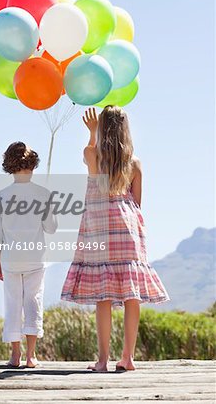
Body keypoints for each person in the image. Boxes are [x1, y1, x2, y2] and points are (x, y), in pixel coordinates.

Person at [61, 106, 170, 372]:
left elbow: (89, 155)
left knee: (104, 295)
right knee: (132, 295)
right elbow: (137, 201)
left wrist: (92, 133)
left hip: (100, 228)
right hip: (128, 227)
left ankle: (102, 361)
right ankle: (128, 358)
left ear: (102, 129)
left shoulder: (92, 154)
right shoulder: (134, 164)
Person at [0, 142, 57, 368]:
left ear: (9, 165)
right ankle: (31, 356)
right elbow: (51, 228)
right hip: (35, 259)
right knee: (33, 301)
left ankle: (15, 356)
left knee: (12, 304)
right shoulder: (42, 193)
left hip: (10, 259)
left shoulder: (1, 195)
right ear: (33, 165)